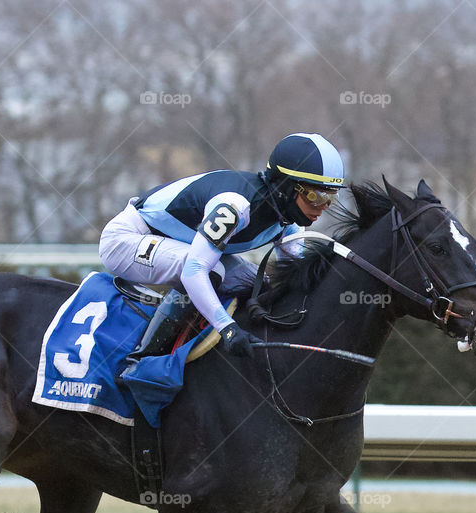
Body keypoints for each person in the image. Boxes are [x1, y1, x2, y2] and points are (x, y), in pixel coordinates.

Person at [98, 132, 345, 369]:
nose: (323, 207)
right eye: (316, 195)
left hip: (174, 243)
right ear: (286, 187)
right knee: (211, 270)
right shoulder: (234, 206)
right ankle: (141, 361)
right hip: (127, 239)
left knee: (259, 282)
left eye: (330, 198)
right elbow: (194, 271)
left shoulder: (288, 224)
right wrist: (226, 328)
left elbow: (296, 284)